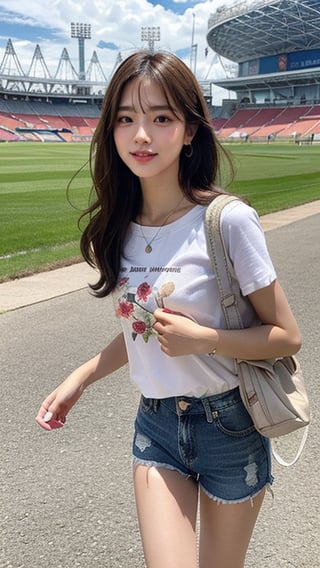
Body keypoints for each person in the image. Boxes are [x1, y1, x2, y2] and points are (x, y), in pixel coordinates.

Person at [36, 51, 301, 568]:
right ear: (111, 130)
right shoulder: (121, 228)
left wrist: (207, 340)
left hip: (231, 424)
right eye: (126, 118)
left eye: (161, 118)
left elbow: (286, 336)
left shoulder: (228, 222)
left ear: (188, 132)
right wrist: (81, 376)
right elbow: (142, 331)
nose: (142, 135)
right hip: (156, 425)